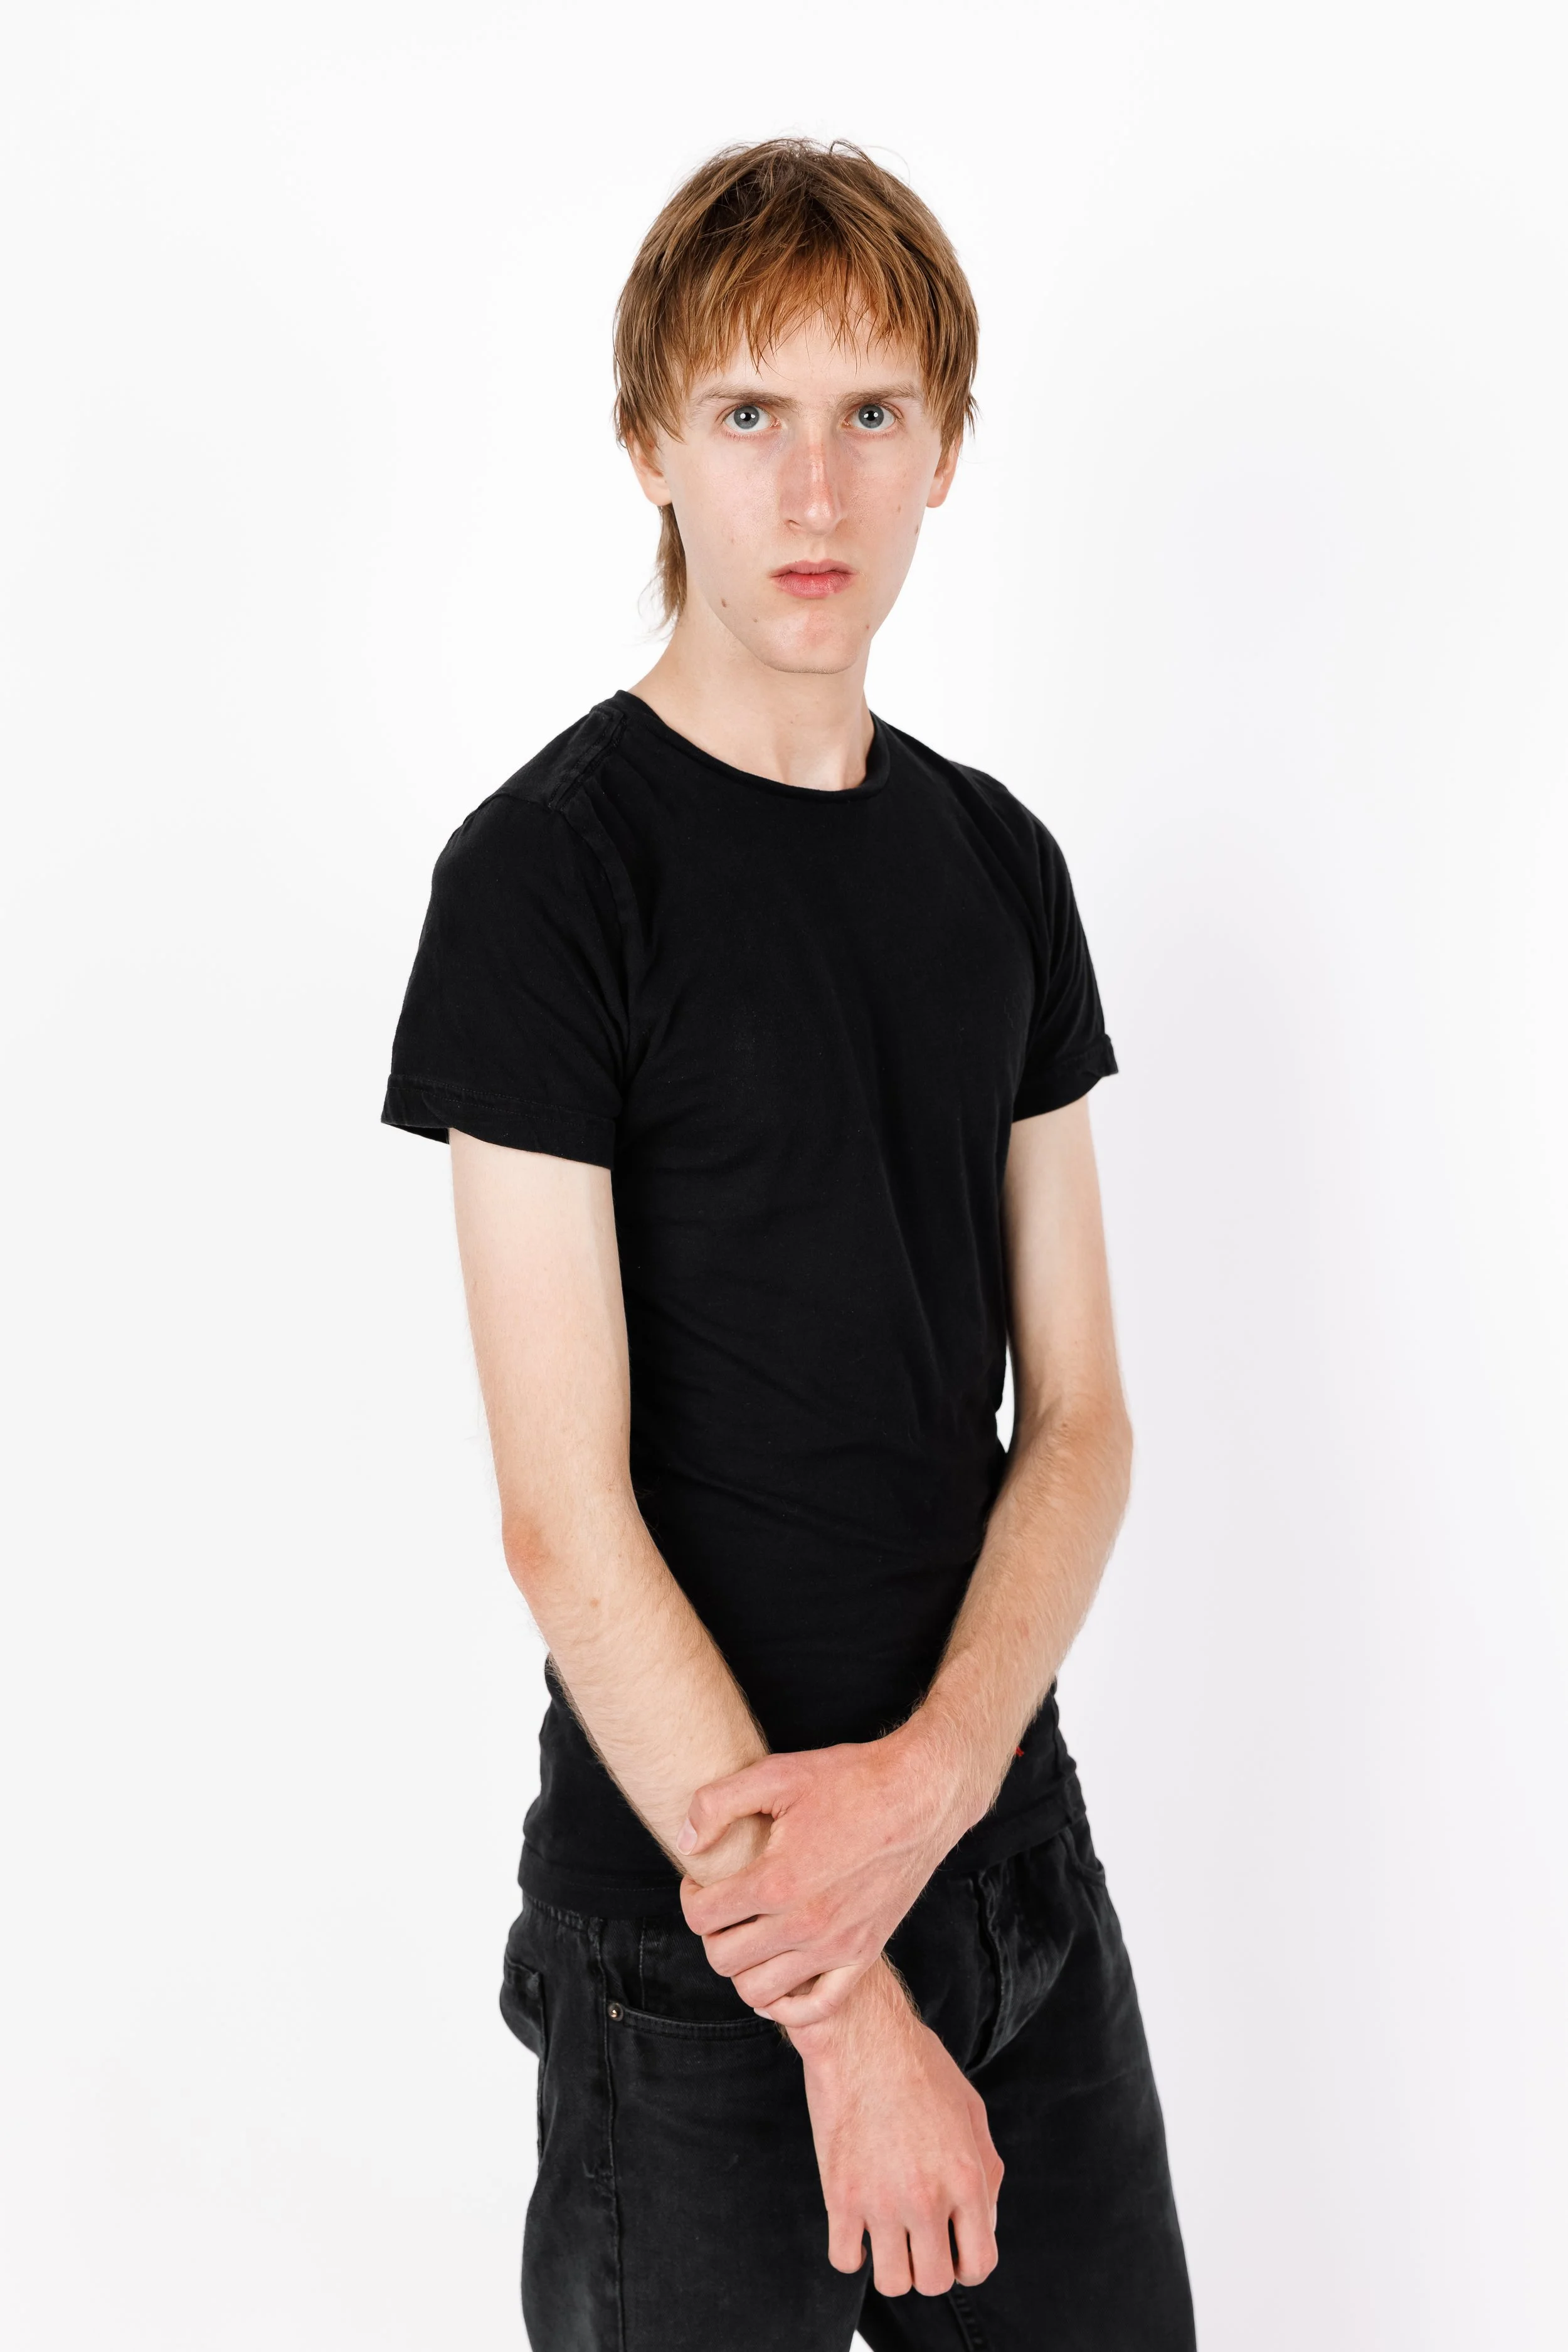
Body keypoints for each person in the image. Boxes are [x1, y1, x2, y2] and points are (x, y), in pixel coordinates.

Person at [381, 136, 1195, 2352]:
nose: (811, 489)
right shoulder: (543, 882)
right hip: (692, 1954)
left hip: (1007, 1872)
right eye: (748, 413)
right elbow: (565, 1520)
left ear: (946, 451)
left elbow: (1086, 1413)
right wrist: (837, 2008)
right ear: (651, 441)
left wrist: (933, 1794)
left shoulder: (998, 867)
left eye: (869, 415)